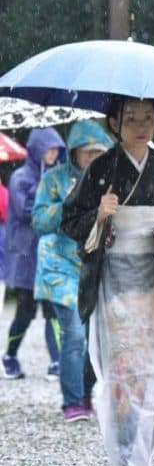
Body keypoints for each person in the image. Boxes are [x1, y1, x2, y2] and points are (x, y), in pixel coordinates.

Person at [61, 97, 154, 466]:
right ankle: (129, 462)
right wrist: (99, 214)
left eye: (148, 118)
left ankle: (141, 450)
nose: (141, 125)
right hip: (117, 280)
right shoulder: (100, 169)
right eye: (132, 118)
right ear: (114, 123)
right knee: (127, 372)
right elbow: (69, 219)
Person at [33, 120, 114, 422]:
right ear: (74, 152)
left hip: (93, 267)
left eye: (99, 152)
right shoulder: (53, 180)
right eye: (87, 152)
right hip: (59, 266)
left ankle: (86, 393)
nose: (93, 158)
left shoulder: (109, 182)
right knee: (75, 334)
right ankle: (71, 401)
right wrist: (67, 204)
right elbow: (39, 222)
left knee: (98, 338)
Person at [3, 127, 65, 380]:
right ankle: (10, 356)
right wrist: (51, 199)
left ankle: (58, 362)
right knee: (25, 311)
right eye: (49, 149)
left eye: (56, 150)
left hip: (49, 254)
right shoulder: (20, 178)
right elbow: (28, 211)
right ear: (37, 150)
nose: (53, 154)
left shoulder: (57, 175)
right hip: (26, 256)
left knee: (52, 309)